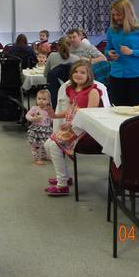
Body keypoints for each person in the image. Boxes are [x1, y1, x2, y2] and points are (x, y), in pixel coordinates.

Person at [44, 60, 101, 196]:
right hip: (73, 128)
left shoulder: (93, 91)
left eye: (83, 72)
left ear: (89, 75)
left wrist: (72, 123)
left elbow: (90, 116)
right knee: (47, 144)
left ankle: (62, 184)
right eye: (75, 71)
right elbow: (70, 111)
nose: (78, 74)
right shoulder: (72, 90)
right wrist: (55, 115)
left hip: (85, 130)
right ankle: (65, 177)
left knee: (54, 146)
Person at [104, 0, 139, 106]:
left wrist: (133, 52)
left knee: (138, 113)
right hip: (116, 76)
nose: (116, 18)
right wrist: (109, 54)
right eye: (113, 15)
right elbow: (107, 48)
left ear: (128, 13)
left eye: (119, 15)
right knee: (118, 111)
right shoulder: (112, 30)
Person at [25, 89, 54, 165]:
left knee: (45, 144)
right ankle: (36, 158)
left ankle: (44, 156)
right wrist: (33, 118)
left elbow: (51, 118)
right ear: (36, 99)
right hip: (36, 129)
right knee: (35, 145)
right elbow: (27, 115)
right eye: (39, 99)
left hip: (46, 130)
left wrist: (53, 120)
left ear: (48, 101)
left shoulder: (49, 109)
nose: (41, 101)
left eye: (44, 99)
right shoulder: (35, 108)